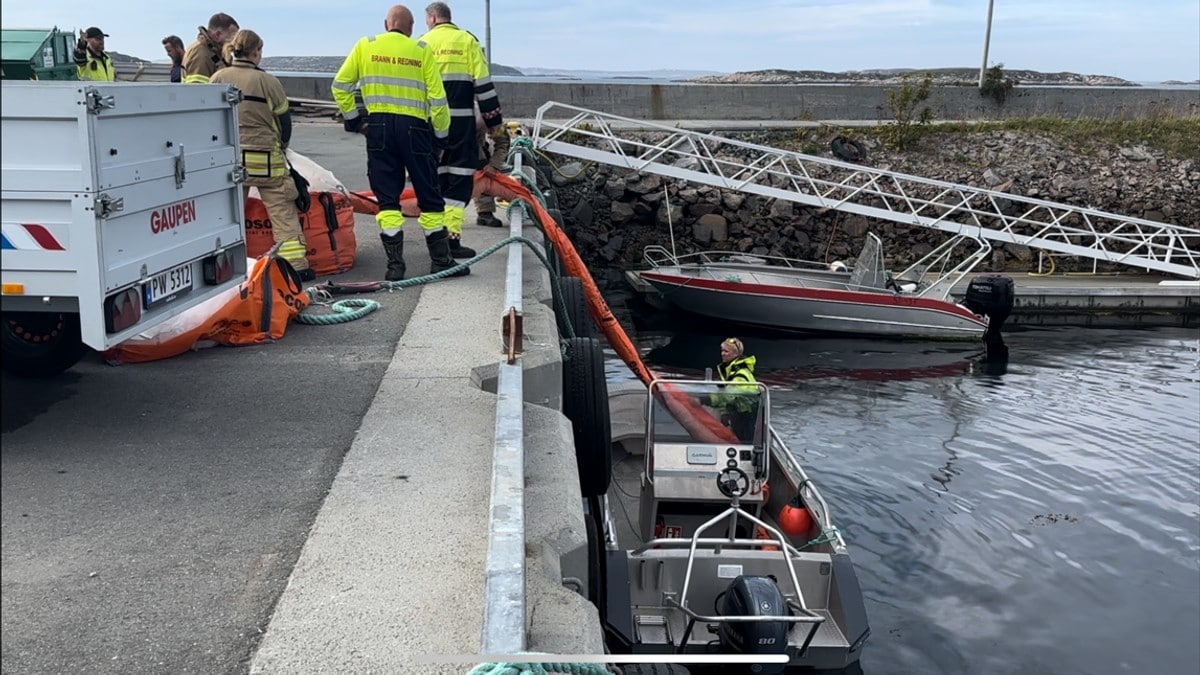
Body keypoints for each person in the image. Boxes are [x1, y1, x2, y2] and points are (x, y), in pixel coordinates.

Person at [331, 4, 468, 280]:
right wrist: (441, 138)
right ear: (411, 27)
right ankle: (441, 260)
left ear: (386, 24)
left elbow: (340, 86)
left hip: (379, 129)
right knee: (429, 195)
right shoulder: (420, 50)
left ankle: (395, 267)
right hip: (415, 129)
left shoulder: (365, 46)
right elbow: (439, 102)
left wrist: (356, 121)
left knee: (388, 199)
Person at [209, 30, 314, 282]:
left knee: (227, 215)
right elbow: (283, 121)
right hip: (267, 159)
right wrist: (283, 145)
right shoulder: (268, 82)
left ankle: (219, 266)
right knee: (282, 213)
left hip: (232, 158)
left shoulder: (218, 78)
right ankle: (296, 266)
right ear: (256, 52)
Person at [421, 1, 506, 258]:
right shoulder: (468, 42)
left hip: (429, 128)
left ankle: (435, 242)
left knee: (433, 183)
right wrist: (494, 124)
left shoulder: (421, 44)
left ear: (433, 18)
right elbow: (484, 87)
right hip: (461, 127)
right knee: (458, 185)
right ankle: (452, 241)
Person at [713, 337, 760, 443]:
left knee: (744, 445)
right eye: (722, 351)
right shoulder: (730, 371)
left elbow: (729, 395)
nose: (723, 354)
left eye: (726, 351)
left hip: (745, 418)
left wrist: (706, 399)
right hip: (737, 414)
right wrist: (724, 413)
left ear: (735, 354)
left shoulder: (741, 375)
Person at [473, 104, 509, 228]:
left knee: (484, 172)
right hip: (448, 145)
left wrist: (494, 165)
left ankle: (485, 212)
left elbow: (503, 143)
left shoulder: (490, 113)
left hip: (475, 146)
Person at [182, 13, 239, 84]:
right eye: (232, 37)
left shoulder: (213, 51)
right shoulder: (200, 53)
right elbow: (196, 90)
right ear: (217, 35)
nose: (234, 42)